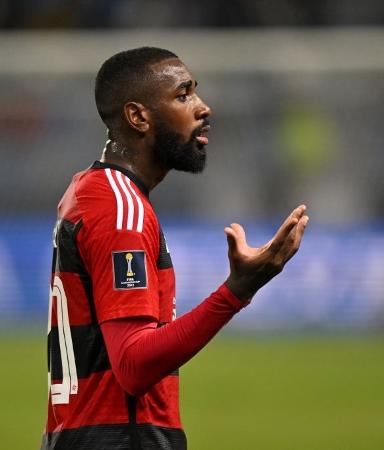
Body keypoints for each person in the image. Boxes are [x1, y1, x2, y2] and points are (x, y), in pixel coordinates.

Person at [41, 46, 309, 450]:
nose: (204, 108)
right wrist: (237, 291)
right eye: (184, 95)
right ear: (138, 117)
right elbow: (132, 365)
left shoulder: (94, 192)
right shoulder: (120, 209)